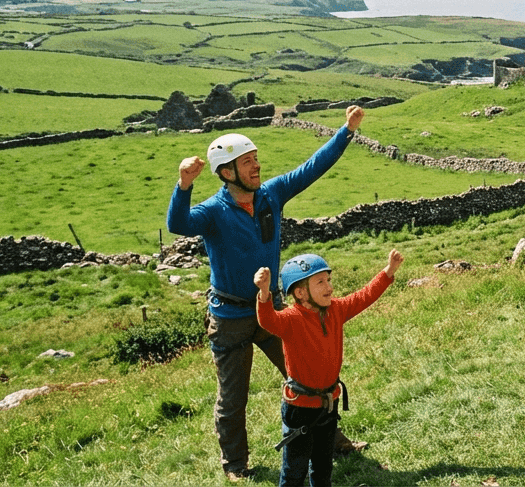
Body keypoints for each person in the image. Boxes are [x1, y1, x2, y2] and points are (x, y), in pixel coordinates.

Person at [167, 106, 367, 480]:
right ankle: (236, 466)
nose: (257, 167)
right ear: (227, 173)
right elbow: (178, 224)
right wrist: (183, 186)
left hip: (273, 311)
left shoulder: (271, 195)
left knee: (313, 379)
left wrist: (346, 131)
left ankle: (334, 440)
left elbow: (310, 170)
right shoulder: (212, 211)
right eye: (248, 163)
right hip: (230, 319)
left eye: (257, 160)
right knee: (233, 399)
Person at [254, 250, 402, 487]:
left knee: (323, 466)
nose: (329, 287)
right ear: (301, 293)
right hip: (300, 408)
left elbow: (364, 296)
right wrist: (264, 294)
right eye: (320, 282)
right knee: (294, 470)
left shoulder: (336, 309)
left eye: (329, 280)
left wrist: (388, 272)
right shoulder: (291, 319)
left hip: (328, 404)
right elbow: (268, 320)